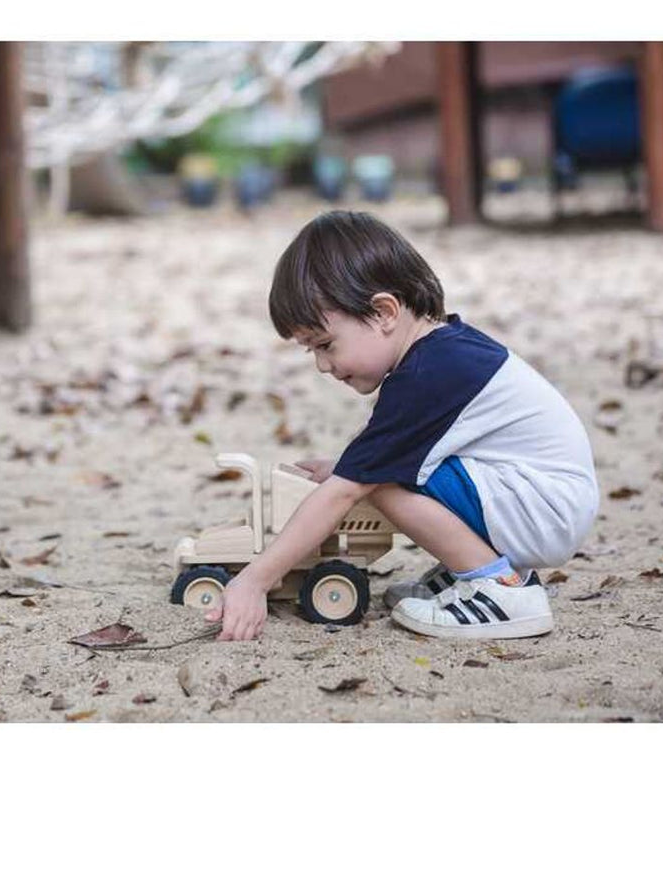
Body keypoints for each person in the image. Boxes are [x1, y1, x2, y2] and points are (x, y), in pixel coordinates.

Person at [206, 210, 599, 642]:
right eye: (311, 351)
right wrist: (344, 468)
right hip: (540, 500)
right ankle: (471, 571)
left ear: (384, 312)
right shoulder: (441, 353)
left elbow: (349, 488)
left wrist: (256, 579)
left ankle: (499, 589)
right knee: (379, 470)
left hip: (543, 508)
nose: (322, 365)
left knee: (381, 480)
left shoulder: (427, 374)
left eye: (325, 344)